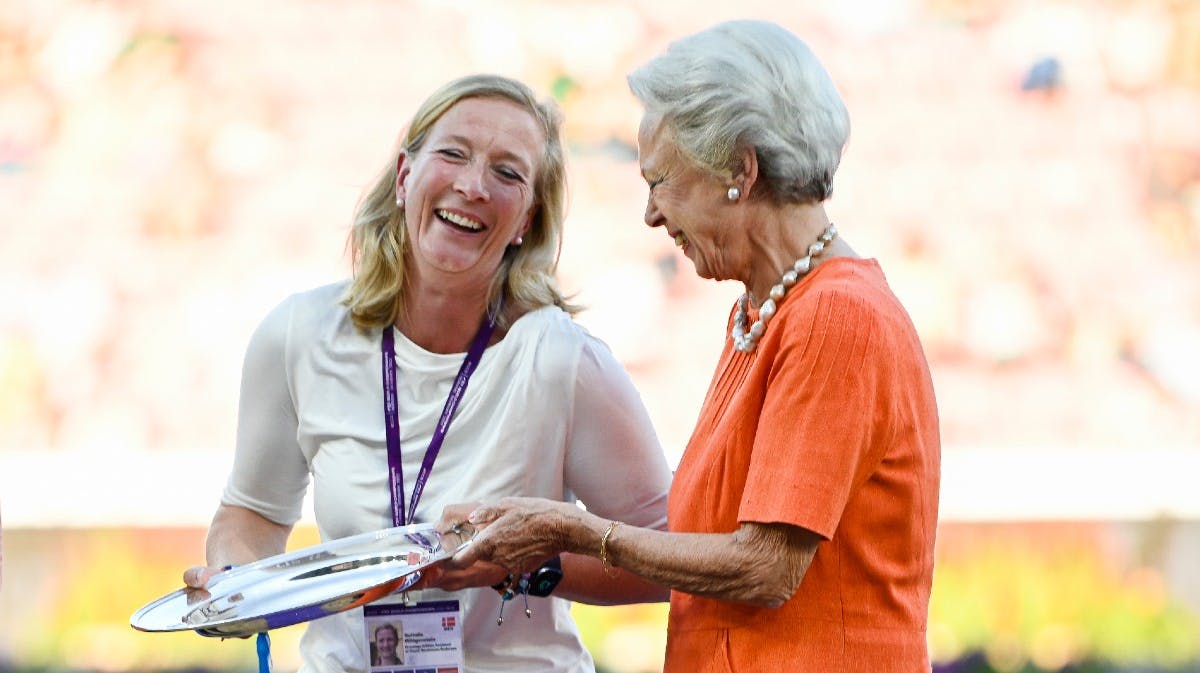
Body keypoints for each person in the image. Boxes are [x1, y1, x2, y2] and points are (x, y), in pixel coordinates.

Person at [447, 21, 941, 671]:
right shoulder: (765, 311)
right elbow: (693, 551)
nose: (651, 214)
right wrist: (524, 557)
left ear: (740, 167)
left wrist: (573, 527)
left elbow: (765, 566)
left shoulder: (836, 318)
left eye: (660, 181)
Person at [182, 74, 672, 673]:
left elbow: (666, 557)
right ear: (404, 174)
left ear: (526, 220)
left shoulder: (561, 359)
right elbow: (251, 514)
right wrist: (236, 583)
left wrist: (529, 566)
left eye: (508, 173)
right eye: (453, 153)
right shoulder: (298, 335)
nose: (472, 185)